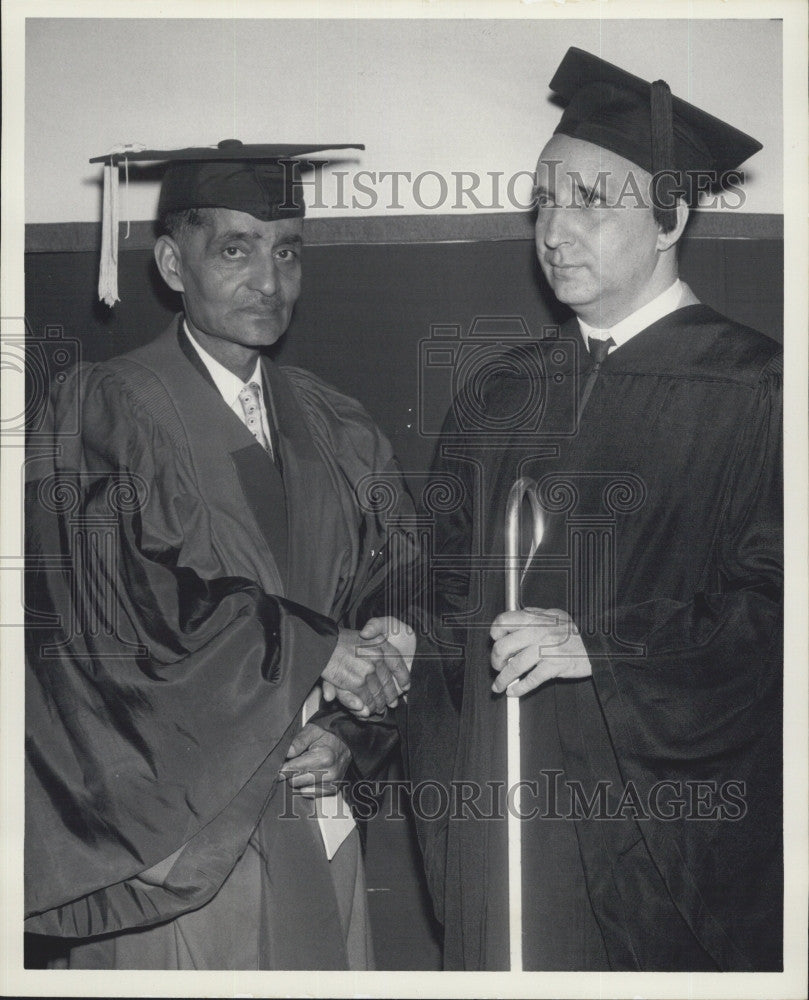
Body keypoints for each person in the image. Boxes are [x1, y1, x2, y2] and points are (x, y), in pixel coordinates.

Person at [407, 48, 782, 971]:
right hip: (497, 817)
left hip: (658, 842)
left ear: (670, 220)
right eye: (542, 199)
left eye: (589, 200)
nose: (553, 229)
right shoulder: (500, 394)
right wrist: (391, 632)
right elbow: (437, 579)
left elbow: (778, 611)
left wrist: (605, 646)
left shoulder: (757, 387)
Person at [24, 139, 415, 970]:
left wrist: (351, 730)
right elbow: (107, 613)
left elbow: (398, 592)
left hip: (318, 806)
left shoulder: (336, 424)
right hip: (173, 833)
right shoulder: (101, 408)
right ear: (171, 262)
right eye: (233, 250)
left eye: (286, 251)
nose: (267, 281)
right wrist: (317, 649)